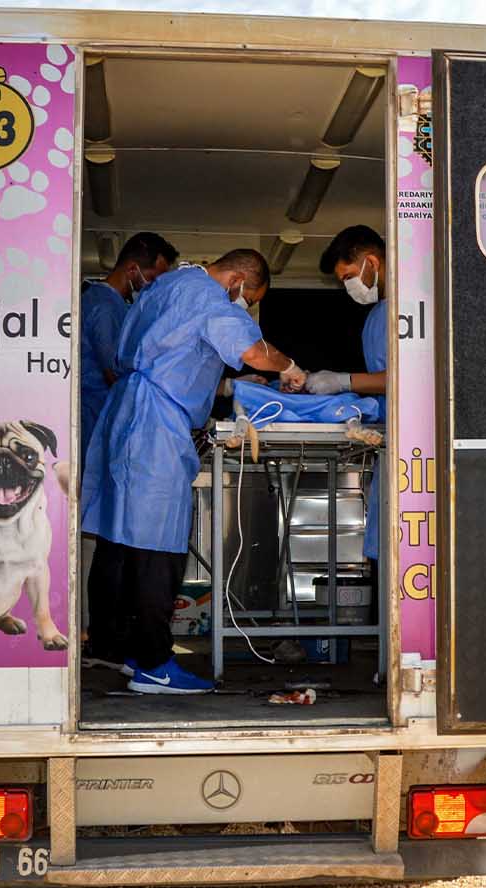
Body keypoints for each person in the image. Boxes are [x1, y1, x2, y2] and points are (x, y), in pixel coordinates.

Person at [81, 249, 307, 695]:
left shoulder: (166, 286)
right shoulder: (208, 297)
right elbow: (253, 352)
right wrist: (290, 366)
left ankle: (119, 649)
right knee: (157, 544)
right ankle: (155, 664)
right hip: (156, 425)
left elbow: (170, 356)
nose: (244, 305)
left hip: (127, 413)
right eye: (249, 298)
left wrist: (222, 385)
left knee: (121, 540)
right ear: (240, 279)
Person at [310, 225, 388, 562]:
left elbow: (409, 379)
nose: (348, 287)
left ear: (372, 261)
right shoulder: (375, 318)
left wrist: (343, 382)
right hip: (390, 440)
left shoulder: (413, 307)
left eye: (348, 276)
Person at [80, 233, 179, 462]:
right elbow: (115, 374)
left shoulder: (116, 306)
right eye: (154, 279)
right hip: (93, 416)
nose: (156, 288)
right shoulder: (104, 307)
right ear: (133, 270)